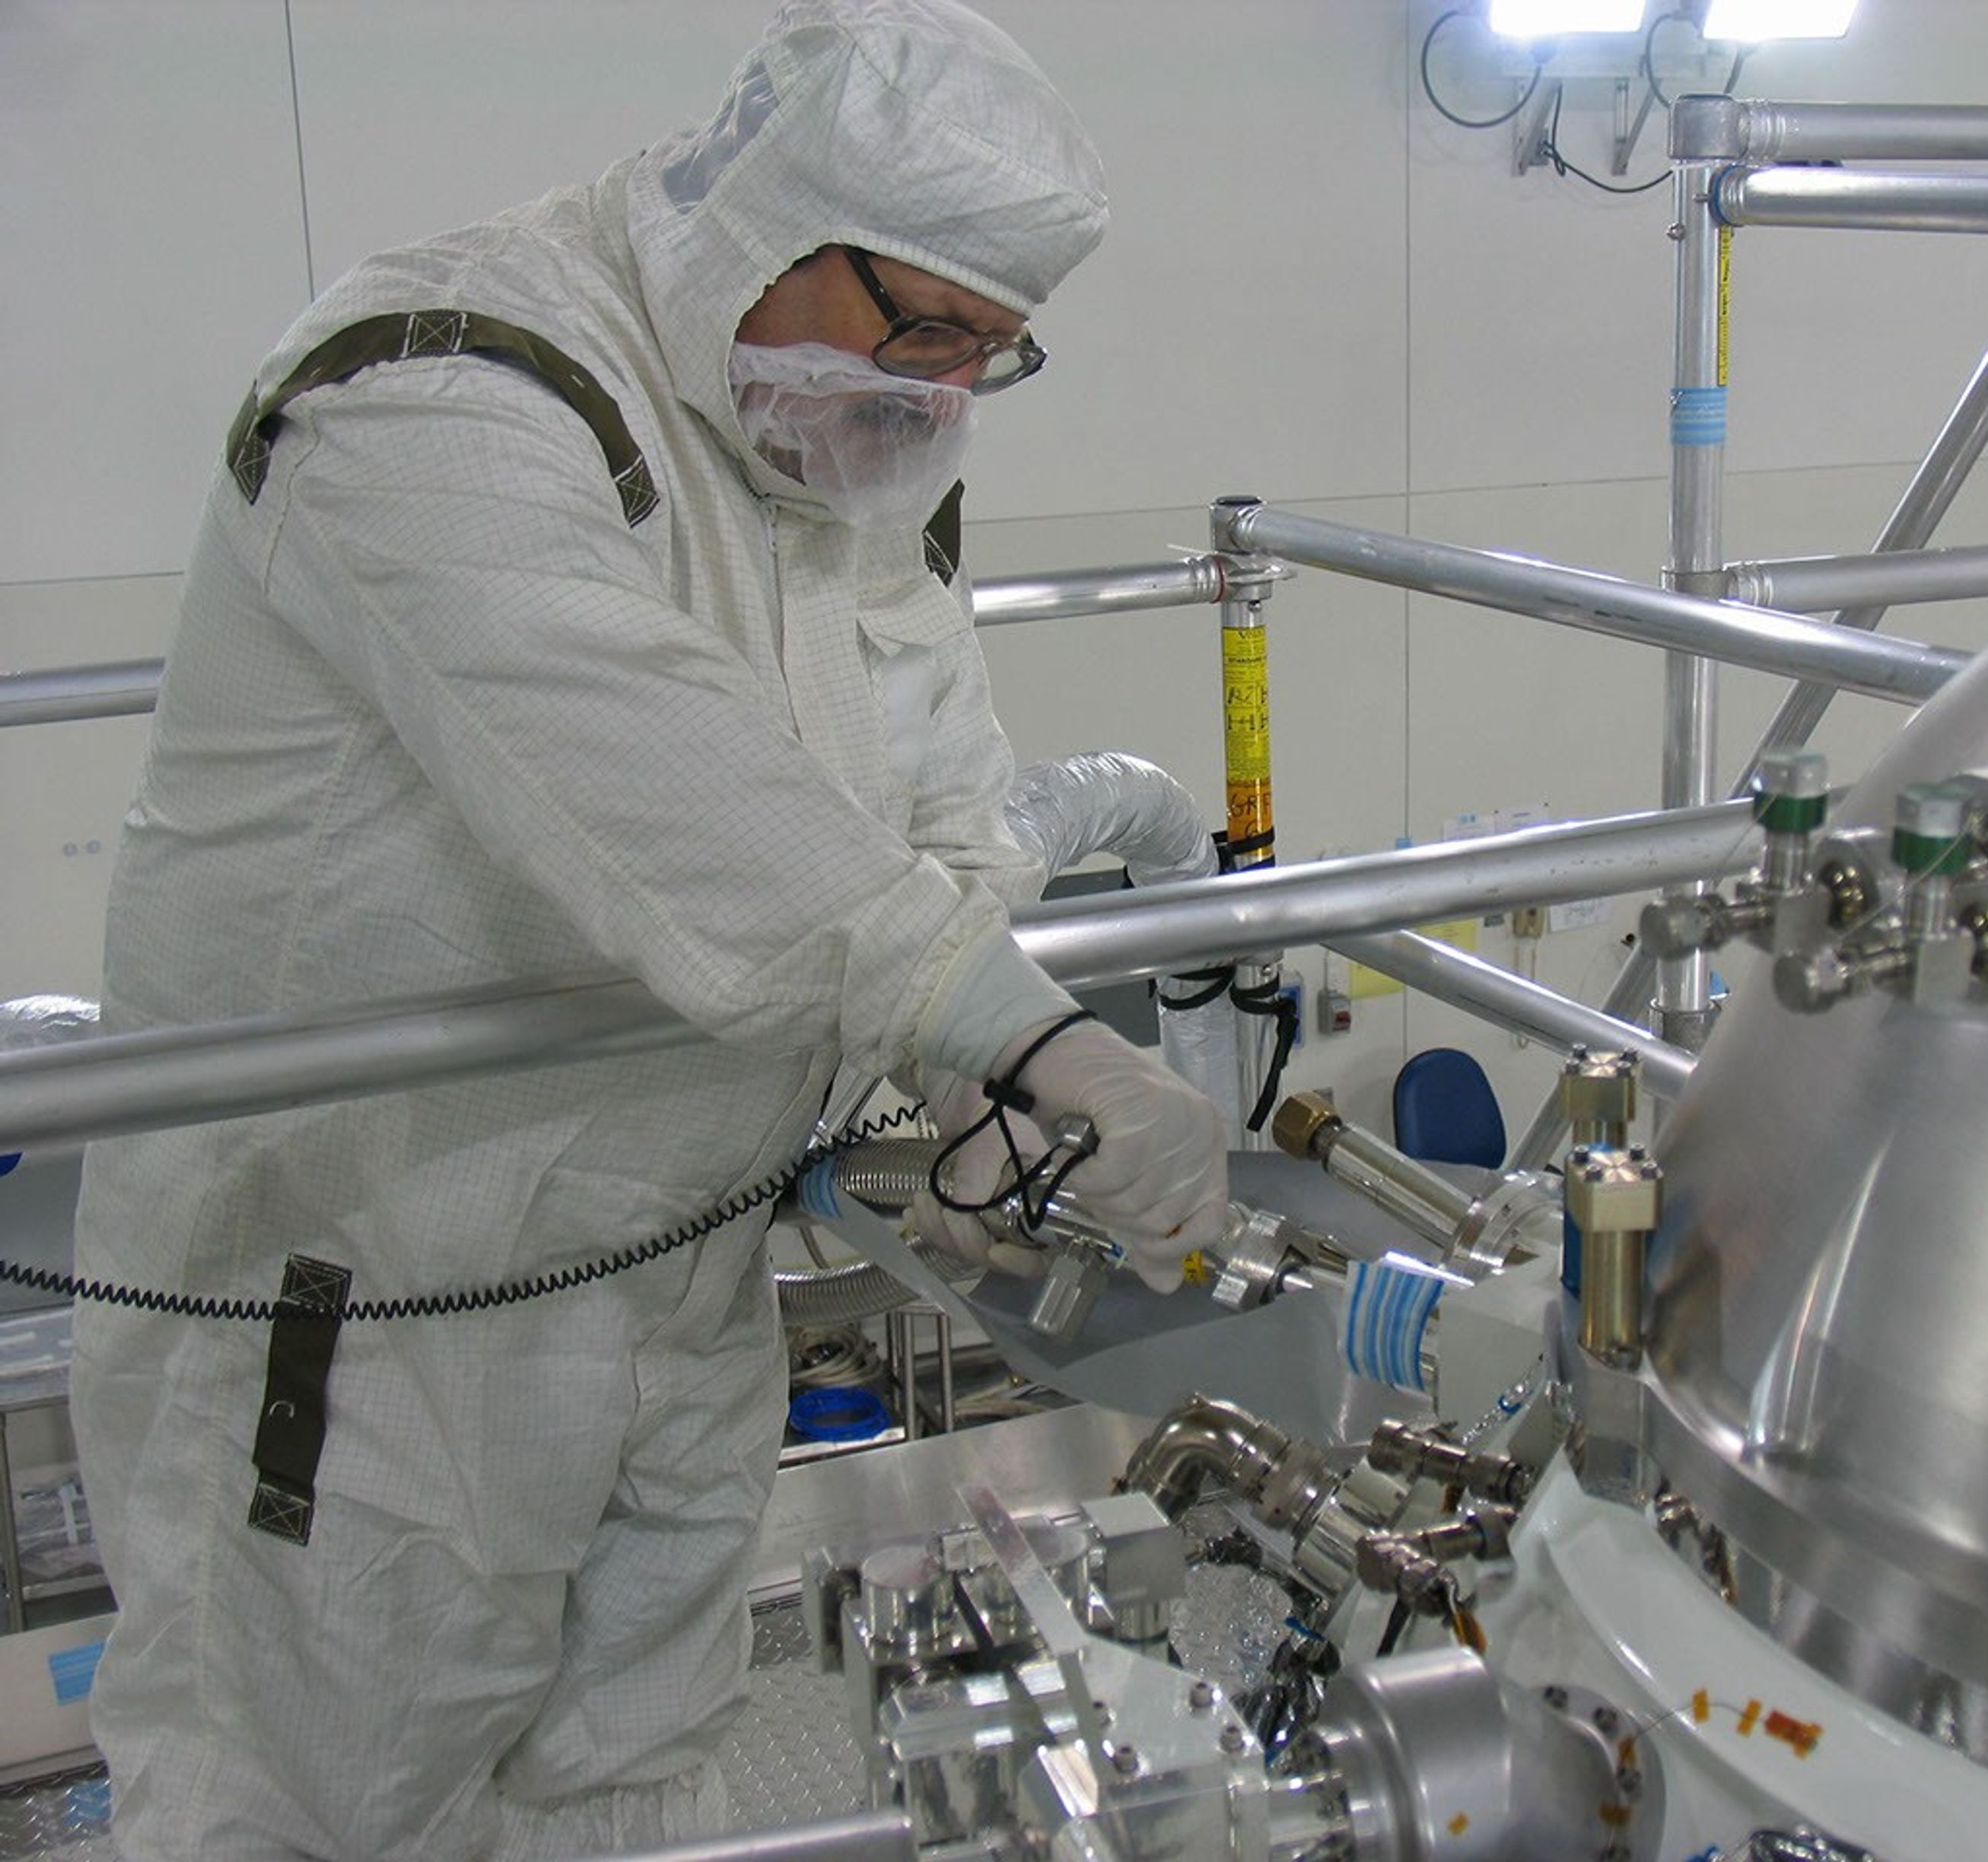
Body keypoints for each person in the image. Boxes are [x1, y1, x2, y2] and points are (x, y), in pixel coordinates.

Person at [68, 4, 1226, 1857]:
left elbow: (930, 788)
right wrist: (1015, 1026)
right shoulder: (434, 390)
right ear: (767, 212)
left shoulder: (842, 439)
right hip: (369, 1298)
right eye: (918, 326)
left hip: (681, 1270)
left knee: (637, 1769)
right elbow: (666, 788)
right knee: (322, 1799)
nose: (933, 392)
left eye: (986, 358)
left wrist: (935, 1102)